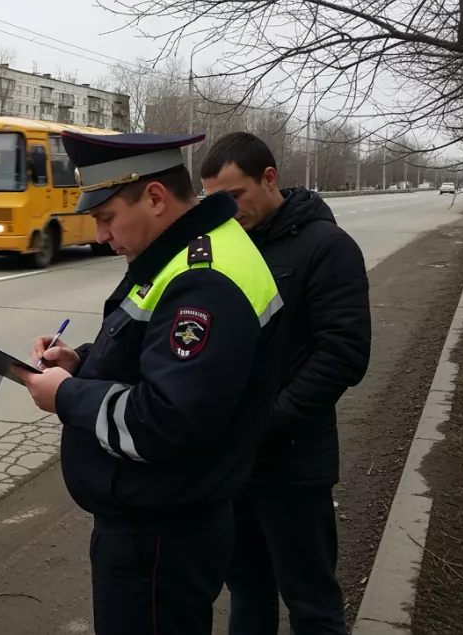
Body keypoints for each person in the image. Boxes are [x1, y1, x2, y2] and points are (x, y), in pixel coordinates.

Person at [15, 130, 284, 635]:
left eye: (106, 218)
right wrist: (81, 361)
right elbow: (156, 358)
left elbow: (166, 420)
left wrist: (66, 395)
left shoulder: (202, 278)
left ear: (156, 198)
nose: (100, 235)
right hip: (170, 519)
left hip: (161, 534)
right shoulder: (190, 253)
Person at [199, 132, 371, 635]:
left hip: (293, 464)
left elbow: (344, 355)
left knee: (311, 600)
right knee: (248, 591)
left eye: (236, 196)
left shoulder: (328, 247)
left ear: (269, 178)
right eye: (215, 201)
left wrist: (268, 421)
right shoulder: (224, 249)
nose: (227, 210)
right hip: (233, 465)